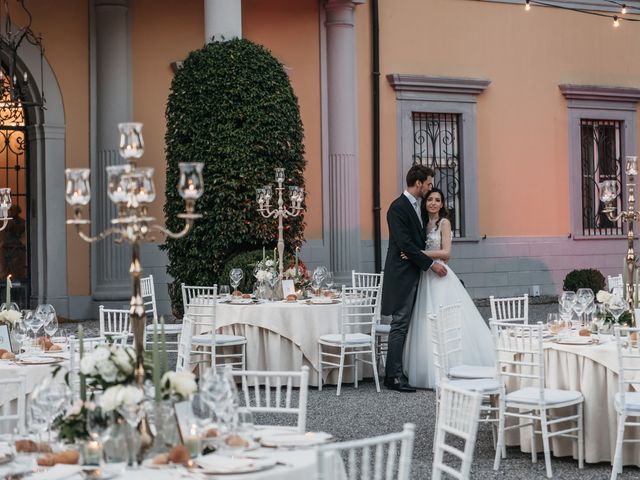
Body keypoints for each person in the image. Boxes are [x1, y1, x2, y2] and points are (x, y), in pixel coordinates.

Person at [403, 187, 494, 389]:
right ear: (425, 203)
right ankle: (429, 368)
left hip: (441, 275)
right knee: (426, 319)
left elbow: (446, 253)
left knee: (448, 318)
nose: (433, 203)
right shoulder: (424, 224)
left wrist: (416, 253)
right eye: (430, 200)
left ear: (442, 204)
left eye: (437, 200)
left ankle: (457, 365)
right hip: (426, 276)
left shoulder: (444, 223)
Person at [381, 165, 447, 392]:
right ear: (418, 183)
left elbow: (414, 244)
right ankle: (393, 377)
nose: (429, 188)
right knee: (399, 324)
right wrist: (430, 264)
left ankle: (400, 369)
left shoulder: (417, 207)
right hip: (401, 274)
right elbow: (405, 243)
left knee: (406, 324)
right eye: (428, 184)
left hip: (412, 270)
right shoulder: (397, 208)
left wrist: (415, 252)